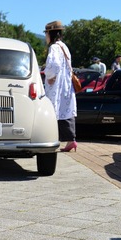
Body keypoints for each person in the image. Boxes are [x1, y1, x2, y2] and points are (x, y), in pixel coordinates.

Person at [43, 20, 77, 152]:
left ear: (50, 34)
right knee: (66, 110)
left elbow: (54, 65)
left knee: (54, 110)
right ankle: (71, 140)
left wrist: (50, 76)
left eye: (46, 33)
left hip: (57, 86)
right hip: (66, 85)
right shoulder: (64, 46)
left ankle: (52, 138)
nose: (46, 36)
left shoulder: (54, 47)